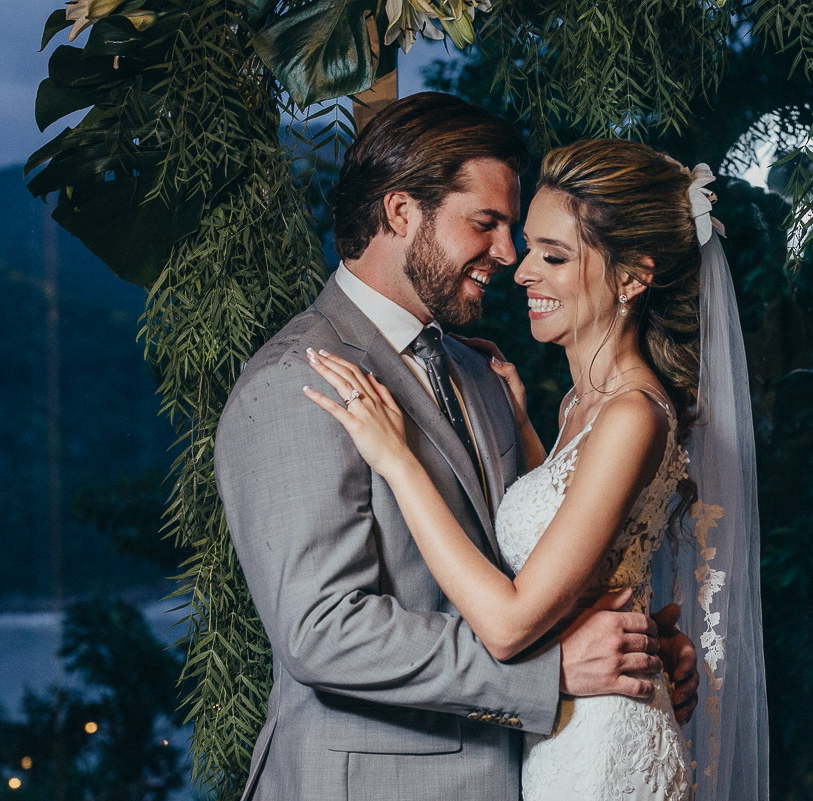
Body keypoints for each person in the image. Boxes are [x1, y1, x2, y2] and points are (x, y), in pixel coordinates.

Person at [213, 94, 699, 801]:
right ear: (401, 212)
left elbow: (536, 562)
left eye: (517, 232)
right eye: (487, 224)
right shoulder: (296, 382)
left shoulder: (480, 370)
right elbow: (322, 630)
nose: (508, 255)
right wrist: (551, 671)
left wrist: (637, 647)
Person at [304, 138, 769, 800]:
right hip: (562, 736)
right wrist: (526, 431)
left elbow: (510, 622)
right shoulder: (583, 403)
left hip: (605, 750)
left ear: (633, 278)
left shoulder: (633, 414)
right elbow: (570, 547)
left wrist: (397, 457)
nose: (521, 271)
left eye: (553, 255)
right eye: (527, 248)